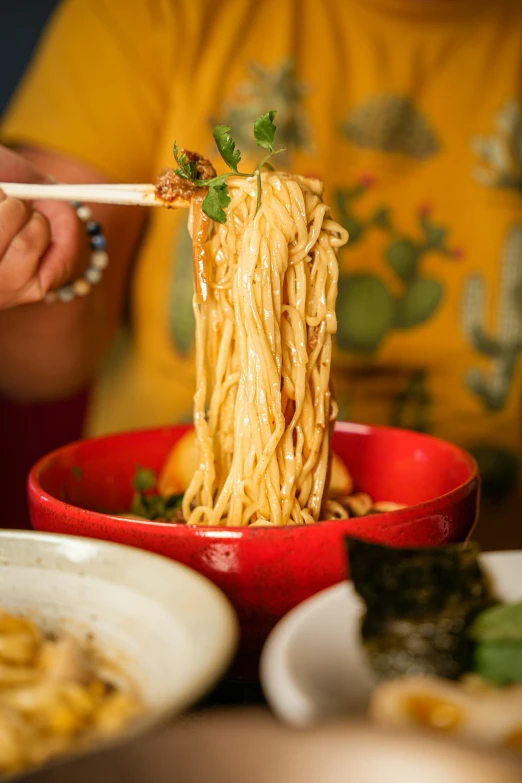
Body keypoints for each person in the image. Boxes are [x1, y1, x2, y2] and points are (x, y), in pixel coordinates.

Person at [1, 0, 521, 547]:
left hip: (489, 546)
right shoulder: (153, 12)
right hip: (158, 545)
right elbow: (36, 369)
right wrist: (31, 256)